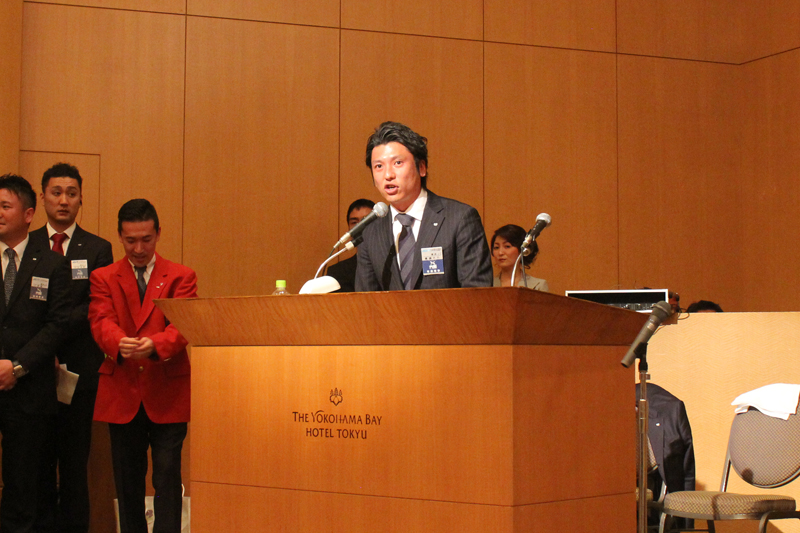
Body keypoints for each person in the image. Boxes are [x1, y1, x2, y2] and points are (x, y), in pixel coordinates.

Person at [88, 199, 197, 533]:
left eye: (146, 240)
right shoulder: (104, 276)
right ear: (120, 236)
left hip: (167, 389)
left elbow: (184, 324)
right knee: (127, 479)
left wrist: (155, 346)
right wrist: (118, 342)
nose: (138, 249)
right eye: (130, 240)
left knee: (167, 476)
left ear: (158, 233)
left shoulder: (181, 275)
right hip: (122, 390)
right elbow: (100, 319)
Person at [29, 163, 114, 533]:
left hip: (80, 372)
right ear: (43, 198)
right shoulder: (27, 243)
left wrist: (54, 327)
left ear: (81, 199)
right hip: (33, 370)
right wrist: (41, 348)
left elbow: (96, 306)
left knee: (75, 466)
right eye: (56, 192)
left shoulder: (97, 249)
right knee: (36, 465)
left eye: (72, 193)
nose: (64, 200)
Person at [0, 174, 71, 533]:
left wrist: (17, 366)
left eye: (4, 206)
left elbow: (57, 326)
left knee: (23, 484)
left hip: (29, 390)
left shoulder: (52, 264)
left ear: (28, 214)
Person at [354, 121, 492, 291]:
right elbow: (366, 300)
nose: (388, 175)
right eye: (379, 166)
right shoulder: (371, 232)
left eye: (398, 163)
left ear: (421, 167)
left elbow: (478, 294)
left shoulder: (459, 219)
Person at [327, 199, 375, 293]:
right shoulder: (337, 272)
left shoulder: (394, 264)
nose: (359, 227)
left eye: (366, 220)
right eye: (354, 222)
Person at [490, 224, 548, 291]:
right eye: (496, 247)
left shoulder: (537, 285)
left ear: (522, 250)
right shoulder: (487, 285)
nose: (500, 253)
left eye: (507, 246)